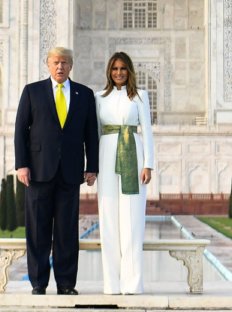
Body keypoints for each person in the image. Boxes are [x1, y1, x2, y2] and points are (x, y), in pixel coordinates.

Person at [14, 46, 99, 295]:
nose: (60, 67)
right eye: (55, 62)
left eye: (64, 62)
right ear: (48, 65)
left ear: (71, 65)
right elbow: (20, 131)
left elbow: (90, 135)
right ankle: (39, 283)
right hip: (39, 171)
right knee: (38, 229)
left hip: (70, 172)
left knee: (67, 231)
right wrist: (22, 165)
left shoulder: (84, 94)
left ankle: (65, 283)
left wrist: (91, 167)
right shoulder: (33, 91)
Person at [95, 52, 155, 295]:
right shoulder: (99, 97)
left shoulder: (140, 96)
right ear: (109, 71)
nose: (118, 73)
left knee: (132, 220)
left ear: (129, 71)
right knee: (108, 219)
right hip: (107, 153)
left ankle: (131, 284)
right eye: (114, 69)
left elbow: (147, 130)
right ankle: (111, 283)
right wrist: (92, 166)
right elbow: (95, 132)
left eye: (123, 69)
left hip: (132, 152)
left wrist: (148, 164)